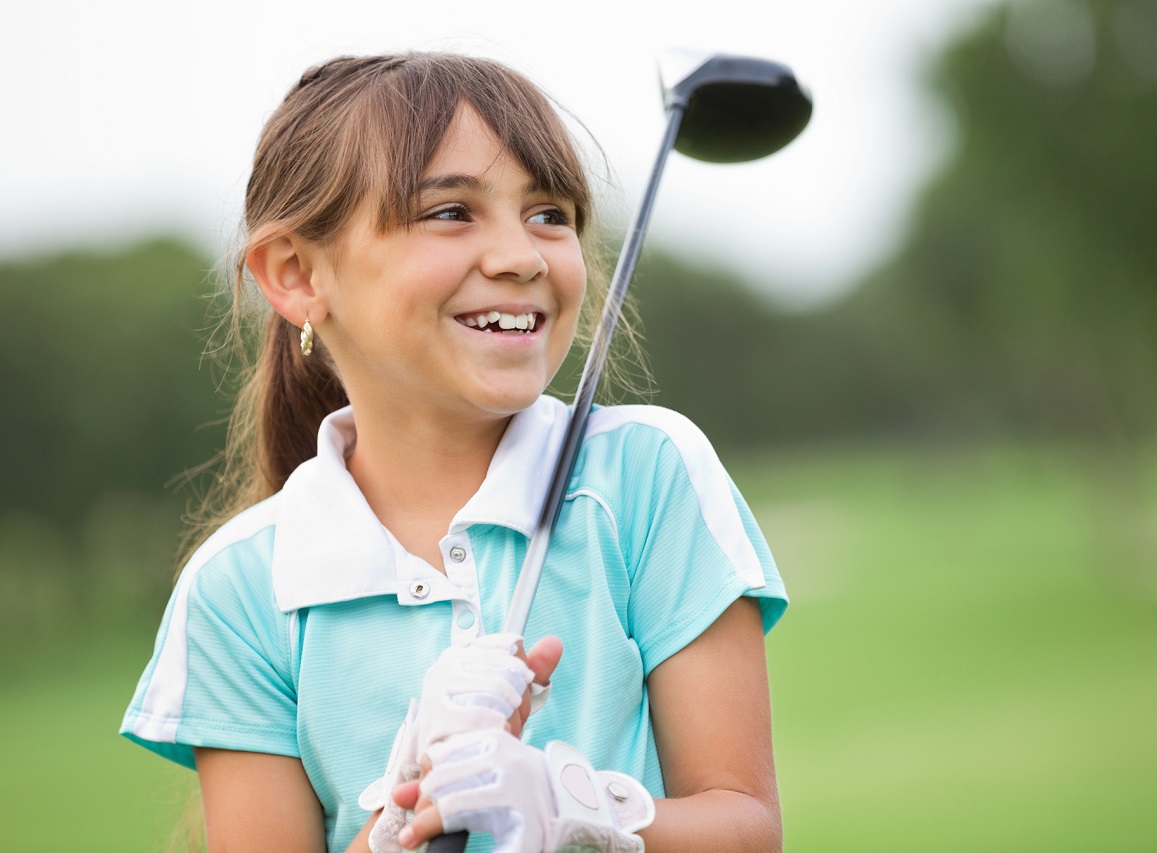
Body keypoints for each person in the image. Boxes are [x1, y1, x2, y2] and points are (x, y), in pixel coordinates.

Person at [120, 51, 787, 853]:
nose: (523, 255)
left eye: (550, 214)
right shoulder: (237, 587)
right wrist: (405, 811)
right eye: (450, 213)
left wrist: (577, 812)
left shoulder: (644, 473)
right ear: (297, 274)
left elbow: (746, 825)